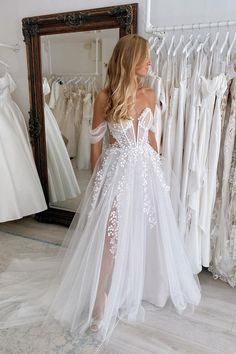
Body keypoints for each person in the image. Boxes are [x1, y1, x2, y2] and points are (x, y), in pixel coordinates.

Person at [0, 34, 201, 349]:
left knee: (148, 230)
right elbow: (95, 144)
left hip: (146, 170)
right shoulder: (104, 97)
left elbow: (152, 139)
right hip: (118, 170)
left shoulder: (150, 94)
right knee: (110, 237)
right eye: (146, 56)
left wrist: (158, 171)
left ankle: (144, 286)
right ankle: (98, 300)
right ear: (130, 59)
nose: (150, 62)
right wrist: (98, 181)